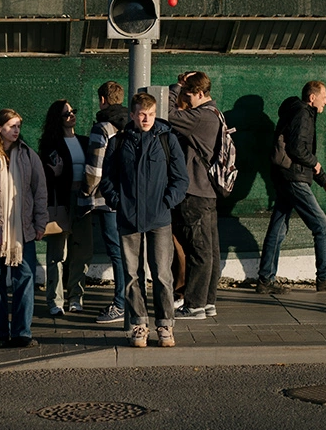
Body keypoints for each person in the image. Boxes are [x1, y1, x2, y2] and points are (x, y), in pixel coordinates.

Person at [100, 93, 189, 348]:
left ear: (155, 113)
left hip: (160, 219)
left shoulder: (167, 140)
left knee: (162, 275)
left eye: (150, 113)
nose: (146, 118)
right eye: (141, 114)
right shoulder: (118, 143)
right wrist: (119, 203)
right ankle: (139, 325)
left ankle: (165, 325)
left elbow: (180, 179)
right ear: (132, 115)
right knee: (131, 274)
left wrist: (167, 202)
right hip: (128, 219)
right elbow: (106, 180)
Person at [257, 80, 326, 293]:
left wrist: (323, 180)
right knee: (322, 225)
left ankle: (265, 280)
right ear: (312, 97)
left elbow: (300, 152)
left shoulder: (296, 112)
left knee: (278, 228)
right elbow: (298, 150)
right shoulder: (303, 114)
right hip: (294, 178)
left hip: (285, 177)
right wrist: (317, 165)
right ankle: (324, 276)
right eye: (324, 96)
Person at [0, 109, 48, 348]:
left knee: (25, 281)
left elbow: (40, 191)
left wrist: (40, 223)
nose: (16, 130)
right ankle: (2, 334)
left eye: (18, 126)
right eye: (11, 126)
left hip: (23, 232)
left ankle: (23, 333)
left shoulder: (28, 155)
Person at [167, 71, 222, 320]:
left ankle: (195, 304)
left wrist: (174, 86)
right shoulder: (215, 113)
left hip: (195, 192)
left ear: (200, 93)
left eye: (188, 93)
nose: (184, 97)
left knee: (198, 250)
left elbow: (166, 114)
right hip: (207, 192)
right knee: (209, 250)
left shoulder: (200, 117)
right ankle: (207, 302)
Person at [39, 99, 93, 316]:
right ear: (56, 119)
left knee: (82, 251)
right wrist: (56, 173)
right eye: (65, 114)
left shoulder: (85, 141)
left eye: (73, 111)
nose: (71, 116)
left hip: (83, 200)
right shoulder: (51, 144)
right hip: (61, 201)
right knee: (57, 253)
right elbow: (45, 176)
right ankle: (54, 300)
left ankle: (76, 297)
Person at [83, 81, 128, 325]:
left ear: (102, 99)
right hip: (128, 197)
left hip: (106, 198)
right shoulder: (131, 122)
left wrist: (86, 193)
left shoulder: (103, 127)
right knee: (127, 251)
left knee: (116, 251)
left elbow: (94, 168)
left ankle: (121, 303)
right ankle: (129, 299)